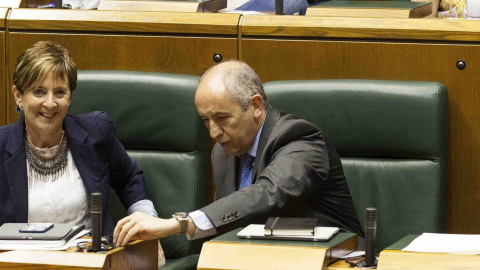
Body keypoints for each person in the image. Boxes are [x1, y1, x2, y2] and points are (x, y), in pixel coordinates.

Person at [113, 60, 363, 247]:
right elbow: (228, 224)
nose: (213, 133)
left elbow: (267, 193)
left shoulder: (300, 138)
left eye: (221, 118)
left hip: (325, 258)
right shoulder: (223, 153)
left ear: (255, 106)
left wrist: (178, 224)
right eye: (205, 120)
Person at [0, 41, 157, 236]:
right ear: (18, 95)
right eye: (39, 91)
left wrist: (146, 219)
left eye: (59, 92)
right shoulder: (2, 145)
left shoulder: (96, 131)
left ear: (70, 97)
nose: (50, 103)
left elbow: (128, 178)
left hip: (89, 256)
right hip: (22, 260)